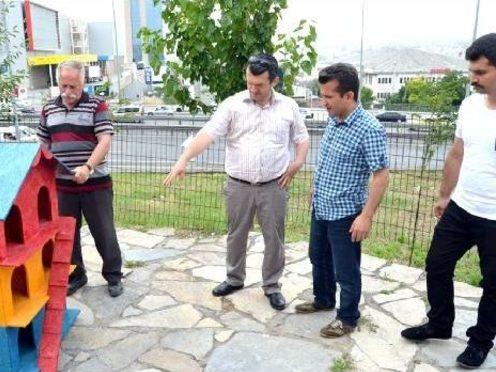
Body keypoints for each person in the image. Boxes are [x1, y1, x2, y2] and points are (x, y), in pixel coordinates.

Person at [164, 53, 309, 311]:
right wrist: (183, 159)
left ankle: (272, 285)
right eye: (250, 83)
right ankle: (234, 278)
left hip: (275, 184)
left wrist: (297, 163)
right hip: (238, 185)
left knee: (274, 237)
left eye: (260, 85)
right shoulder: (232, 105)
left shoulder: (289, 107)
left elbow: (301, 137)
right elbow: (208, 134)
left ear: (274, 81)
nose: (253, 89)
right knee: (236, 234)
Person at [401, 33, 496, 368]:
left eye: (481, 72)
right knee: (437, 264)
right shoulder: (470, 106)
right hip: (462, 205)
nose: (473, 79)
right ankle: (440, 323)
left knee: (493, 284)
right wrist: (444, 195)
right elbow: (456, 153)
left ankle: (480, 341)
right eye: (472, 70)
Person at [294, 63, 389, 338]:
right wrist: (315, 187)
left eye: (328, 97)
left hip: (346, 213)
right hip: (322, 206)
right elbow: (329, 161)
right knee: (317, 256)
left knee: (346, 270)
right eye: (322, 96)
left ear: (349, 96)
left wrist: (366, 216)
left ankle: (347, 317)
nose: (323, 102)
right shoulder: (334, 119)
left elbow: (381, 175)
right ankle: (323, 299)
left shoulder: (369, 129)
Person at [37, 61, 123, 298]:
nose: (67, 92)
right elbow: (43, 144)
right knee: (67, 234)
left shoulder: (97, 105)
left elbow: (105, 141)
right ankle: (77, 275)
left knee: (104, 230)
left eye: (73, 86)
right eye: (63, 86)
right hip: (63, 185)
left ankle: (113, 275)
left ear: (83, 83)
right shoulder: (48, 110)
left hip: (95, 183)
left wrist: (88, 166)